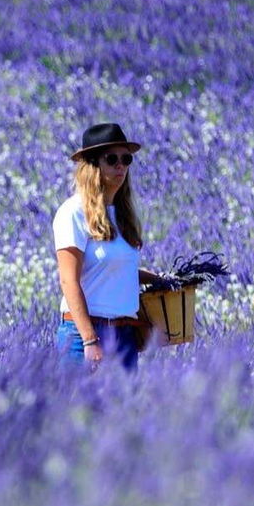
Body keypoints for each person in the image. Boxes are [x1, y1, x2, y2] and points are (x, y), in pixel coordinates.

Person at [53, 123, 163, 370]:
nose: (120, 166)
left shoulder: (123, 216)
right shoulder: (73, 212)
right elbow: (68, 280)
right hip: (85, 336)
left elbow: (112, 271)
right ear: (92, 165)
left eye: (126, 159)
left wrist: (159, 279)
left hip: (124, 335)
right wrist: (89, 340)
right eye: (111, 159)